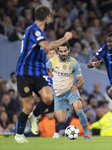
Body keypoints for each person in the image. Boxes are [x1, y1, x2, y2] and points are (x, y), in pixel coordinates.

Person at [14, 5, 72, 143]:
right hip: (25, 72)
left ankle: (34, 116)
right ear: (47, 17)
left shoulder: (39, 33)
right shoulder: (33, 30)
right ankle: (19, 134)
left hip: (39, 71)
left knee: (48, 97)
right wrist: (65, 38)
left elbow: (44, 47)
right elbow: (46, 46)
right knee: (27, 105)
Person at [46, 43, 91, 140]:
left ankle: (87, 134)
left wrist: (76, 86)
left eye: (65, 51)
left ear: (69, 50)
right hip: (58, 94)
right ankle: (68, 108)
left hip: (71, 91)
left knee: (79, 110)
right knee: (61, 120)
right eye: (61, 51)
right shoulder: (51, 62)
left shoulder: (74, 63)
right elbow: (41, 73)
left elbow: (81, 80)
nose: (63, 53)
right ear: (58, 52)